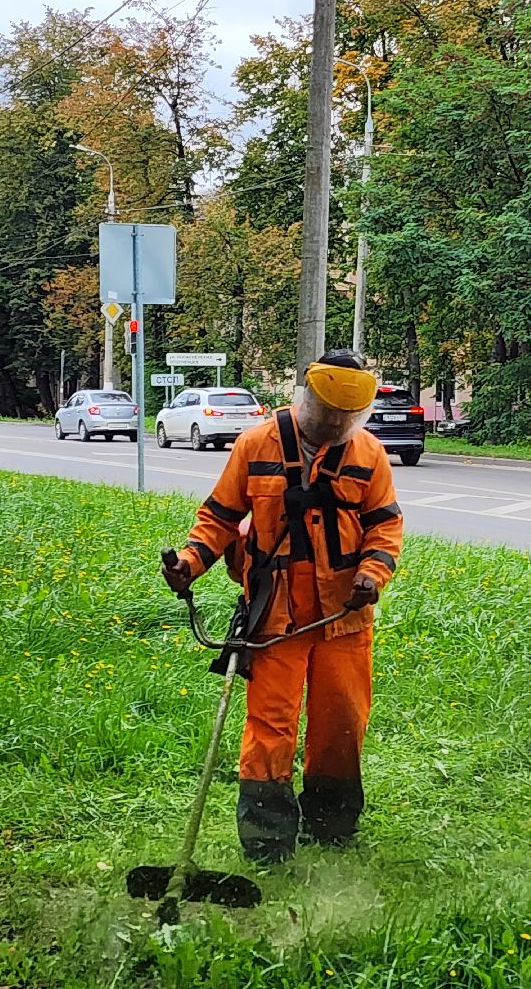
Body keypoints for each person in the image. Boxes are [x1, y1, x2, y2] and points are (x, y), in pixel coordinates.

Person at [162, 351, 404, 862]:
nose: (337, 424)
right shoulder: (257, 443)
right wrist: (189, 562)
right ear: (308, 397)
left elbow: (386, 524)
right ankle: (267, 840)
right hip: (275, 616)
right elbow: (220, 517)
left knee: (341, 722)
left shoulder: (368, 453)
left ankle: (332, 825)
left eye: (347, 417)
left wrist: (372, 573)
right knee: (270, 726)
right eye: (329, 413)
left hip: (344, 615)